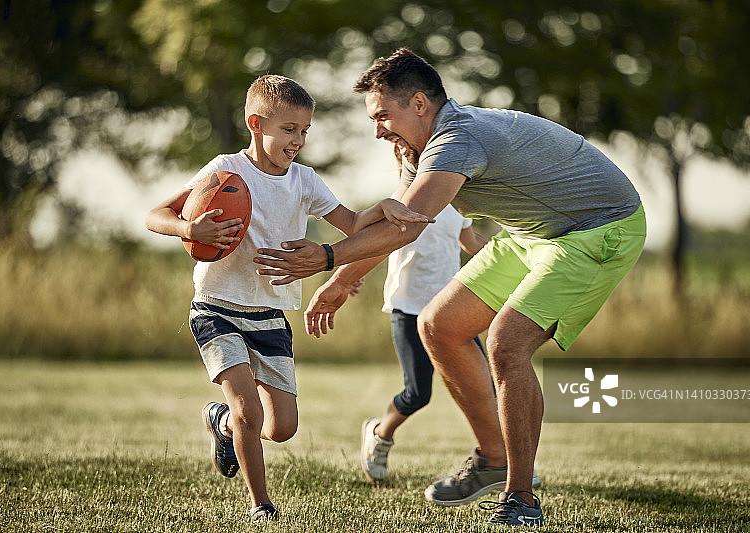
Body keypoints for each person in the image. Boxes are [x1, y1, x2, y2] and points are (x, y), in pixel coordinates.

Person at [254, 49, 647, 527]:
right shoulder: (420, 152)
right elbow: (400, 218)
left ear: (419, 103)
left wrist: (329, 259)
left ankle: (520, 497)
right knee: (439, 324)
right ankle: (492, 456)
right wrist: (339, 281)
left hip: (599, 228)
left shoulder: (457, 139)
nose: (377, 130)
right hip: (535, 233)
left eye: (382, 116)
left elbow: (406, 229)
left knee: (507, 342)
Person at [144, 74, 431, 524]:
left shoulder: (304, 181)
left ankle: (219, 422)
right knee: (248, 411)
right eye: (289, 130)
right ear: (257, 124)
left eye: (304, 131)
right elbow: (156, 214)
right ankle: (261, 505)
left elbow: (352, 224)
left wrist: (386, 206)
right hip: (217, 306)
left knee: (282, 427)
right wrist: (188, 229)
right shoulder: (225, 171)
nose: (298, 140)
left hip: (271, 313)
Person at [351, 146, 489, 483]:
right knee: (418, 393)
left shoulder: (456, 204)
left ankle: (502, 460)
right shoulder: (396, 204)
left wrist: (516, 256)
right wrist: (349, 274)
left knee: (485, 386)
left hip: (452, 310)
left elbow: (470, 242)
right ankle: (380, 434)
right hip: (408, 310)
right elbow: (373, 244)